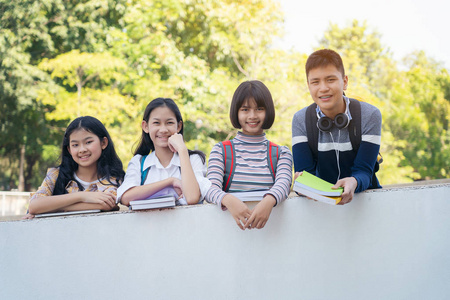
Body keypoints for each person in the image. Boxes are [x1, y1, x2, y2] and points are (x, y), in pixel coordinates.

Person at [292, 49, 382, 205]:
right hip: (321, 208)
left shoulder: (370, 115)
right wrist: (303, 185)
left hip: (366, 205)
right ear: (308, 85)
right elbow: (306, 174)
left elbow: (364, 171)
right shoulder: (300, 120)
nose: (323, 88)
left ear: (345, 81)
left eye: (330, 79)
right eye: (315, 82)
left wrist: (354, 181)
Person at [205, 80, 293, 230]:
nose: (252, 116)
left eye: (259, 109)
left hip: (273, 237)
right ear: (236, 112)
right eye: (245, 110)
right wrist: (229, 200)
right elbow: (210, 189)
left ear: (268, 111)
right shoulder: (221, 150)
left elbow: (284, 184)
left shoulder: (281, 153)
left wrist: (268, 201)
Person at [117, 98, 210, 206]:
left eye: (169, 123)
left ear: (179, 126)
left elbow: (192, 198)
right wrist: (170, 182)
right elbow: (126, 198)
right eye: (156, 123)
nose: (163, 129)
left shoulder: (193, 159)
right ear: (145, 126)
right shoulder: (139, 163)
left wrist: (182, 150)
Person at [27, 116, 125, 215]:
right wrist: (81, 196)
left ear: (103, 143)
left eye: (88, 142)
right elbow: (34, 206)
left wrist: (50, 207)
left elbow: (106, 205)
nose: (82, 149)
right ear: (69, 149)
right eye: (75, 145)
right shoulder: (55, 175)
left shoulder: (114, 179)